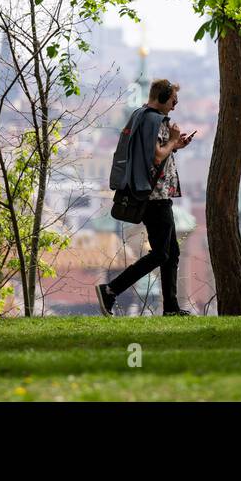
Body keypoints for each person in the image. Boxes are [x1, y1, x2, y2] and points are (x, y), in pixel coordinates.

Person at [97, 78, 196, 316]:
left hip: (151, 194)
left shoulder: (140, 115)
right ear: (162, 98)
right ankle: (110, 290)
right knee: (161, 253)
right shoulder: (157, 120)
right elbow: (157, 157)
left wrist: (176, 145)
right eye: (173, 101)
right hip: (155, 197)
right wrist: (172, 141)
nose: (175, 106)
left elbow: (157, 151)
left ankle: (171, 307)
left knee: (172, 252)